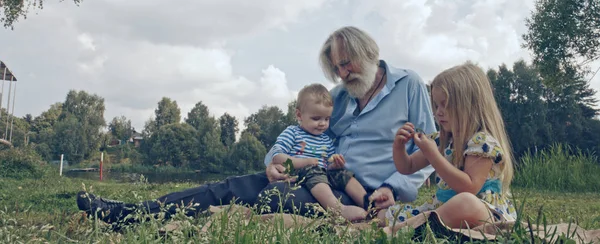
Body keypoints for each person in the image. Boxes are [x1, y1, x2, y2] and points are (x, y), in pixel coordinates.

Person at [76, 26, 435, 226]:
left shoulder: (409, 85)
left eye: (348, 63)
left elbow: (430, 149)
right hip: (317, 175)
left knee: (273, 198)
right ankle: (132, 213)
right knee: (233, 185)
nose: (344, 73)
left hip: (367, 191)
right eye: (338, 68)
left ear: (369, 51)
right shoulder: (339, 96)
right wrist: (274, 163)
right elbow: (301, 135)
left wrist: (393, 187)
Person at [382, 62, 517, 233]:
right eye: (436, 105)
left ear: (470, 106)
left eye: (445, 105)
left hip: (483, 210)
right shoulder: (442, 141)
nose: (438, 112)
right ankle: (421, 226)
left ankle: (411, 228)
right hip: (443, 208)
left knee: (466, 203)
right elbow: (407, 167)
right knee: (385, 214)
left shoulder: (482, 142)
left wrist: (434, 156)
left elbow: (469, 187)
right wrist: (398, 147)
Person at [269, 83, 373, 221]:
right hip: (298, 174)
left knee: (343, 174)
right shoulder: (293, 132)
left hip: (322, 174)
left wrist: (334, 164)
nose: (322, 123)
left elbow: (327, 165)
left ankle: (370, 205)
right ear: (299, 115)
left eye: (326, 119)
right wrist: (303, 162)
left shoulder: (326, 139)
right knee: (313, 170)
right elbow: (277, 156)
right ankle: (336, 209)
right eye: (316, 118)